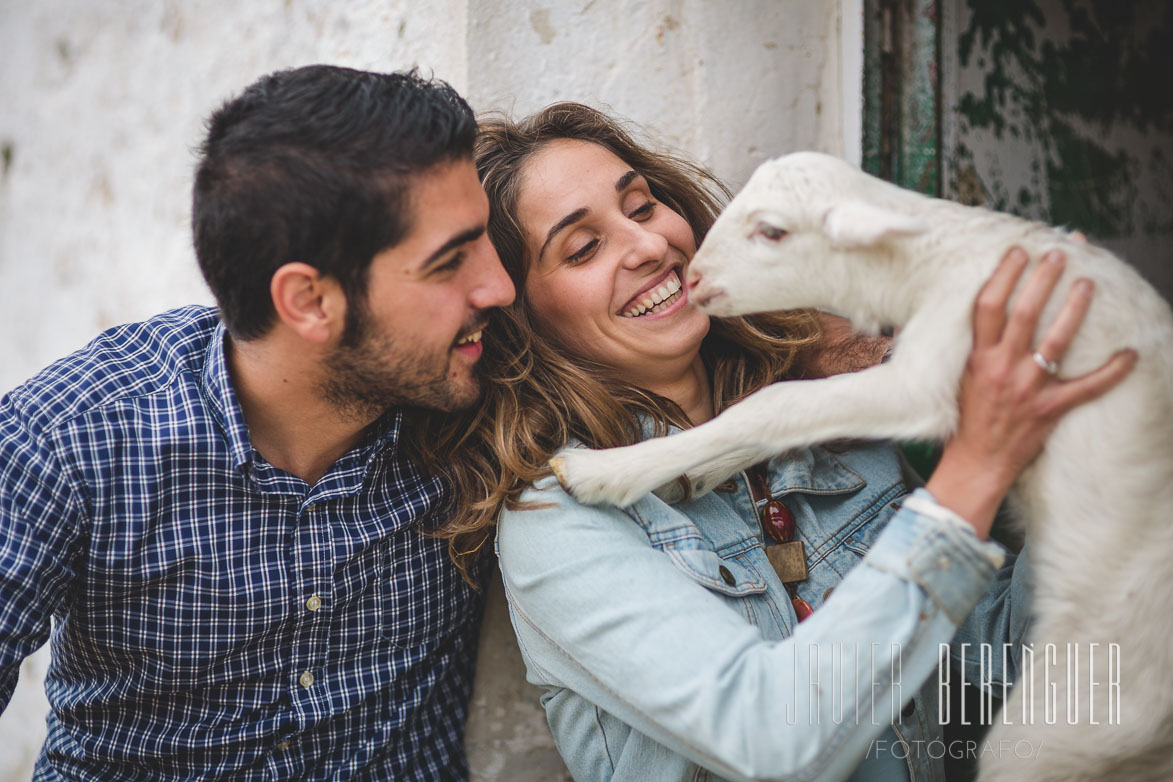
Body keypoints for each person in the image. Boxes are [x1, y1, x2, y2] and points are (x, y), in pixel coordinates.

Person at [406, 103, 1137, 781]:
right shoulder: (559, 516)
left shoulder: (830, 425)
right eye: (583, 247)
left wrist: (1094, 424)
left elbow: (1002, 665)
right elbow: (768, 740)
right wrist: (976, 468)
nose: (647, 244)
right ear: (526, 318)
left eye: (641, 205)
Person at [0, 65, 514, 780]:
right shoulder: (72, 438)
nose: (498, 285)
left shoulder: (477, 396)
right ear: (308, 301)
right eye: (449, 262)